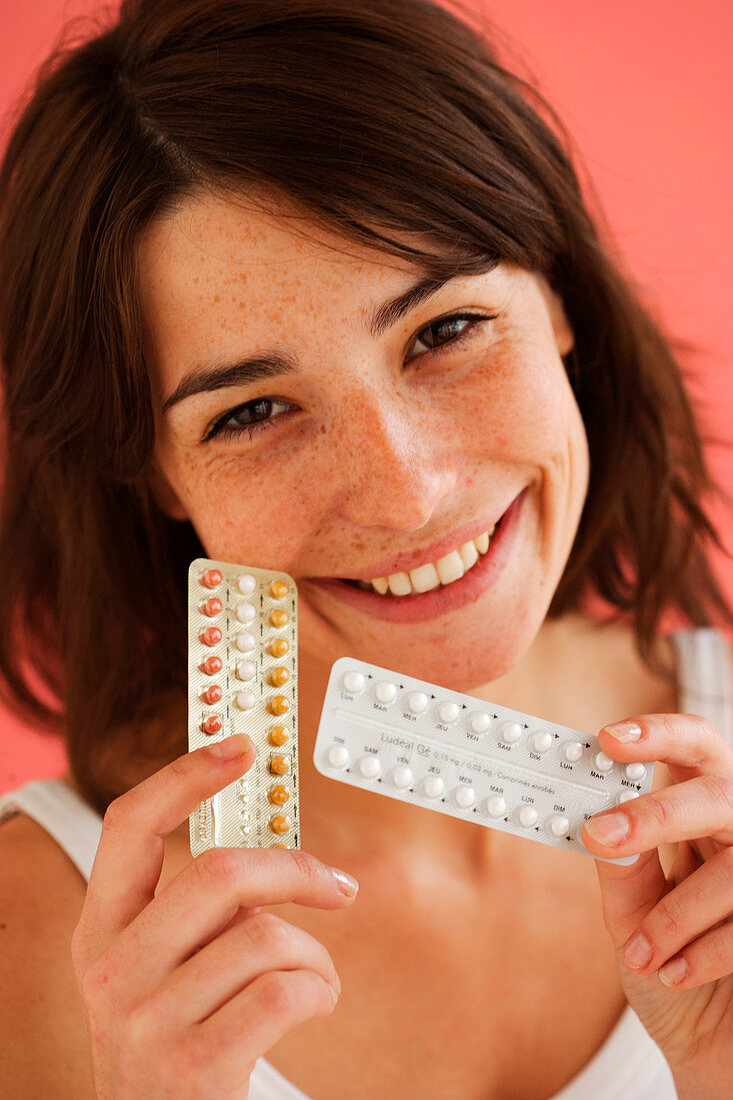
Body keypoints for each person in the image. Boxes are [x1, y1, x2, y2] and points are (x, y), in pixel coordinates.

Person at [0, 0, 731, 1096]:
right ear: (151, 469)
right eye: (250, 411)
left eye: (444, 331)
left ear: (559, 297)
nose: (408, 493)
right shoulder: (34, 938)